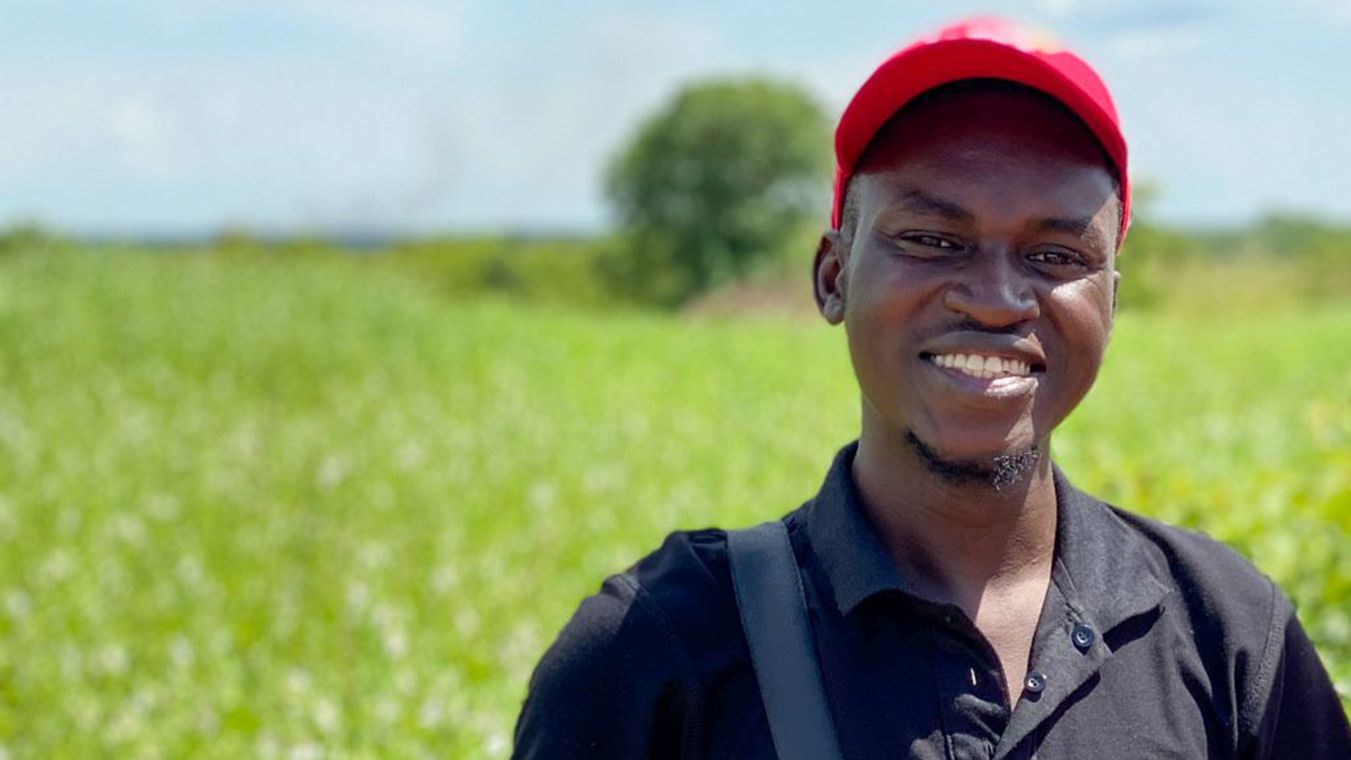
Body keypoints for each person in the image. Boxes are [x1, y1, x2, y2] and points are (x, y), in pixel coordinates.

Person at [512, 17, 1351, 759]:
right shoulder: (658, 654)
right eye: (930, 238)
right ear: (833, 275)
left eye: (1055, 255)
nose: (993, 299)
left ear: (1109, 303)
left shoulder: (1227, 634)